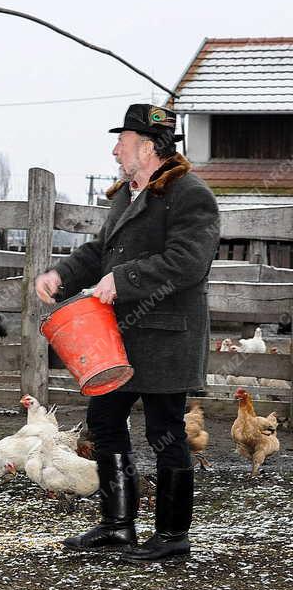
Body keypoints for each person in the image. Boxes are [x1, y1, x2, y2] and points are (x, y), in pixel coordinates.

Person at [34, 104, 220, 563]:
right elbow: (101, 252)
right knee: (103, 421)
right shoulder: (128, 194)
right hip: (117, 338)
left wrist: (126, 279)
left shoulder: (190, 195)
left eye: (123, 142)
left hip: (166, 336)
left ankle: (173, 536)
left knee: (165, 431)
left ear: (149, 147)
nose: (115, 150)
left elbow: (189, 262)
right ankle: (118, 526)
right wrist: (62, 275)